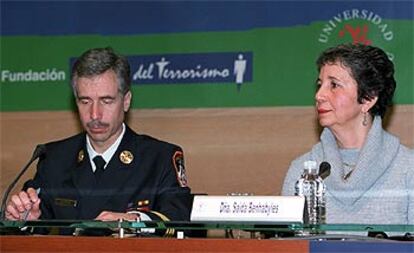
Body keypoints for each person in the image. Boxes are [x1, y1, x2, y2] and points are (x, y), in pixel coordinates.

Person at [5, 47, 192, 233]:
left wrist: (134, 221)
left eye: (106, 101)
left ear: (126, 101)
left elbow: (180, 219)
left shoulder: (159, 158)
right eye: (85, 101)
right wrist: (22, 221)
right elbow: (28, 227)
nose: (95, 114)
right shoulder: (54, 158)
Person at [282, 43, 413, 225]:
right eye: (320, 85)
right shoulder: (301, 172)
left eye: (334, 85)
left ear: (368, 98)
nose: (319, 95)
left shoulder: (409, 169)